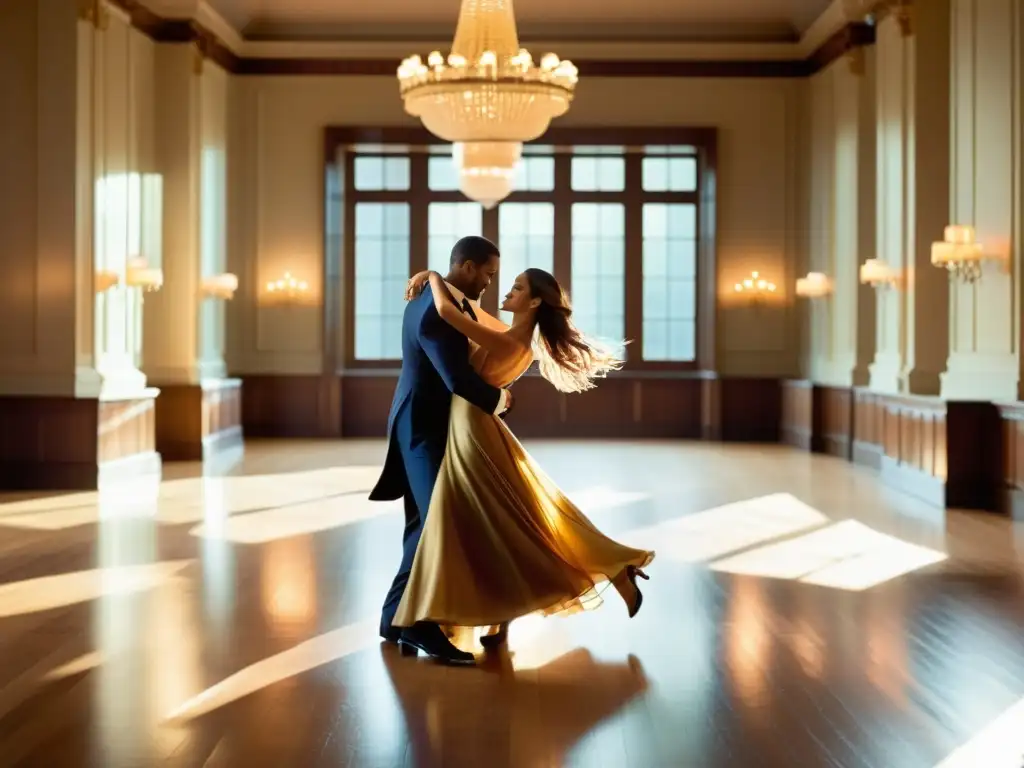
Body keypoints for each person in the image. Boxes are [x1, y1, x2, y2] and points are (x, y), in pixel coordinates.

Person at [390, 265, 654, 661]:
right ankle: (503, 617)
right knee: (509, 521)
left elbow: (448, 314)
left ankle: (607, 568)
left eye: (516, 287)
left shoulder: (509, 339)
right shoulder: (510, 333)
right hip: (477, 426)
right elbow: (466, 313)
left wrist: (431, 277)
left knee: (499, 523)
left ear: (533, 302)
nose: (504, 290)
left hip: (472, 431)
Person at [369, 236, 513, 665]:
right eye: (487, 273)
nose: (489, 283)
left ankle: (394, 619)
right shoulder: (435, 311)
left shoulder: (441, 298)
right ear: (467, 267)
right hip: (421, 429)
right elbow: (456, 380)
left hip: (424, 424)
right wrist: (501, 400)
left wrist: (430, 274)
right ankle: (419, 626)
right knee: (437, 525)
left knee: (422, 524)